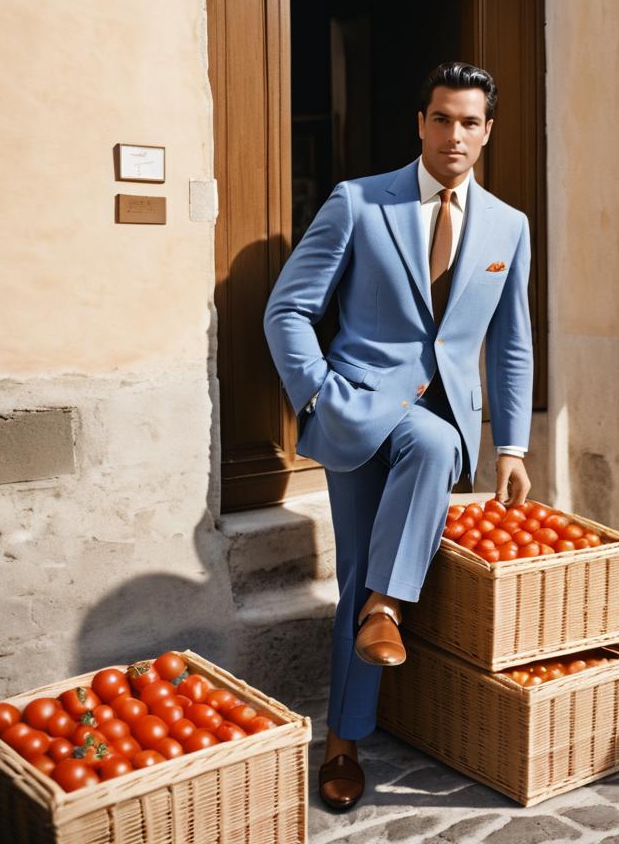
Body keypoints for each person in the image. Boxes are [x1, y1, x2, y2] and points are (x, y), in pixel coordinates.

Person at [263, 61, 534, 810]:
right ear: (421, 123)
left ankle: (371, 681)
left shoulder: (508, 227)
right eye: (441, 118)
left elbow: (512, 342)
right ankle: (347, 729)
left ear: (488, 132)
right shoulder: (358, 203)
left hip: (440, 418)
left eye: (469, 122)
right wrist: (317, 393)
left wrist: (511, 445)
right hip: (356, 412)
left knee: (434, 449)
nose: (455, 134)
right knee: (361, 567)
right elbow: (287, 309)